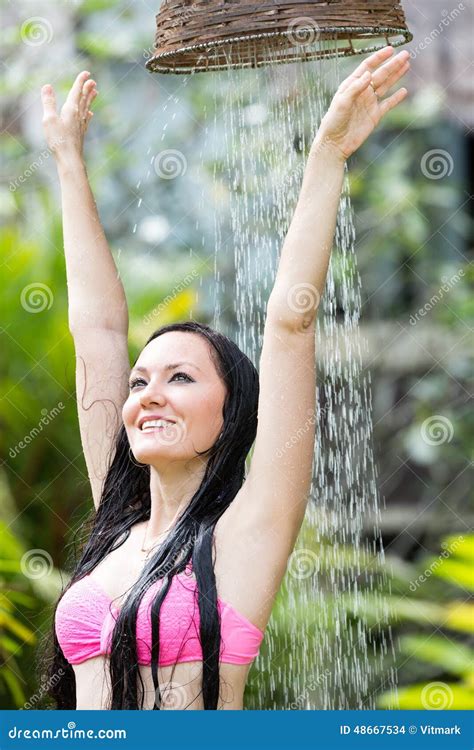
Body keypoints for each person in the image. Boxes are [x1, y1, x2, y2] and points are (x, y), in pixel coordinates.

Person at [39, 46, 410, 710]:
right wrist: (68, 161)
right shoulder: (116, 527)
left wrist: (327, 155)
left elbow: (290, 324)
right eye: (138, 382)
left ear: (231, 412)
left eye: (180, 379)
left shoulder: (244, 538)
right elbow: (96, 332)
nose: (146, 394)